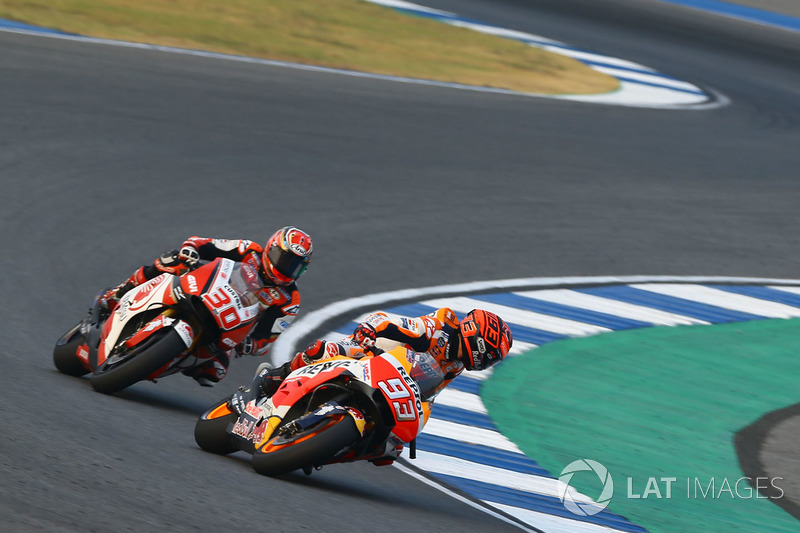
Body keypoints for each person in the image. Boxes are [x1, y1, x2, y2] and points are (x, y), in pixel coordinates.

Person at [231, 306, 513, 460]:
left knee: (390, 451)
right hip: (374, 352)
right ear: (474, 337)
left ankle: (337, 445)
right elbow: (391, 322)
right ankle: (272, 377)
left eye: (492, 359)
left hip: (397, 383)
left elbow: (430, 392)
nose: (486, 362)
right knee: (322, 351)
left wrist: (407, 432)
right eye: (488, 354)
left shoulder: (457, 365)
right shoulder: (440, 326)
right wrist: (370, 330)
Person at [98, 226, 313, 386]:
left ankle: (157, 361)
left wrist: (251, 345)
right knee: (171, 260)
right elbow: (203, 243)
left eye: (295, 266)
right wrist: (191, 250)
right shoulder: (249, 250)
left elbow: (267, 338)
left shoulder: (289, 299)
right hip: (201, 290)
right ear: (271, 248)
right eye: (284, 259)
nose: (287, 268)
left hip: (227, 326)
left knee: (214, 373)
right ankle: (119, 293)